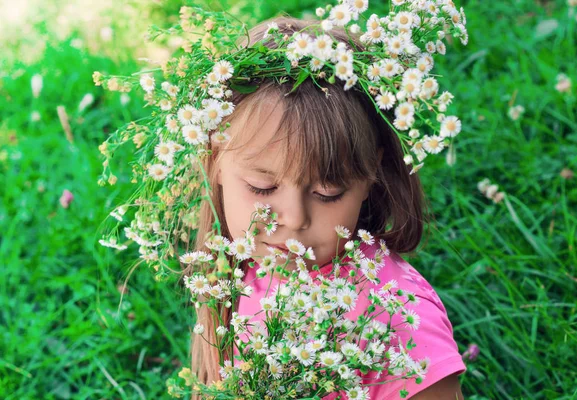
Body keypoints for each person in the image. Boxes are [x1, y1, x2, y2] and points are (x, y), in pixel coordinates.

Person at [189, 16, 466, 400]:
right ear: (215, 161)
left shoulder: (394, 319)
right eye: (262, 187)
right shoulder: (238, 266)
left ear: (372, 175)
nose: (294, 219)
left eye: (327, 192)